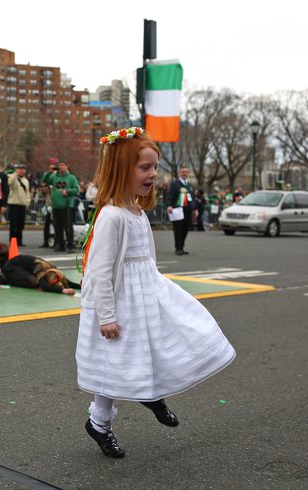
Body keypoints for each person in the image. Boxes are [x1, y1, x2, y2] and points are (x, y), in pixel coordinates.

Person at [77, 126, 235, 458]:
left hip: (144, 294)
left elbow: (146, 258)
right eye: (144, 168)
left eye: (154, 167)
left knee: (158, 341)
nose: (153, 174)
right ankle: (100, 424)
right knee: (113, 362)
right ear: (123, 170)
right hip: (121, 300)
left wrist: (159, 290)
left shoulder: (136, 211)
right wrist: (106, 315)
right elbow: (100, 270)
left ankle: (149, 391)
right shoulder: (112, 216)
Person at [43, 161, 79, 252]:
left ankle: (70, 245)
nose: (61, 167)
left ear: (67, 166)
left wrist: (68, 191)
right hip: (56, 205)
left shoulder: (71, 177)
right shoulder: (54, 177)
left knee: (68, 227)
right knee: (57, 227)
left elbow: (76, 189)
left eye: (63, 165)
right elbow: (45, 181)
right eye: (59, 165)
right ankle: (60, 244)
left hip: (67, 205)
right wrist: (49, 172)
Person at [0, 255, 79, 294]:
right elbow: (44, 287)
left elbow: (68, 282)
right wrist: (63, 290)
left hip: (21, 265)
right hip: (10, 266)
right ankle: (5, 279)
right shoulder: (40, 269)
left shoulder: (53, 269)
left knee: (36, 282)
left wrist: (80, 286)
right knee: (33, 281)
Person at [165, 165, 197, 255]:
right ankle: (178, 248)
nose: (184, 173)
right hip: (177, 210)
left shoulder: (190, 185)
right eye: (182, 172)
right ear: (179, 173)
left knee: (185, 229)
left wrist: (195, 209)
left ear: (188, 173)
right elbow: (169, 196)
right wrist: (169, 206)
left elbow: (193, 198)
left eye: (186, 172)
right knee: (178, 229)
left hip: (187, 210)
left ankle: (182, 247)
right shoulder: (174, 184)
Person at [7, 163, 30, 247]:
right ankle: (13, 241)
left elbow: (27, 192)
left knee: (21, 224)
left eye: (23, 169)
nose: (21, 171)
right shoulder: (13, 178)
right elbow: (10, 182)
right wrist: (15, 173)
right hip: (14, 203)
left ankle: (19, 241)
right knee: (13, 224)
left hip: (22, 204)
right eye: (19, 169)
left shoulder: (26, 180)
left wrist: (27, 202)